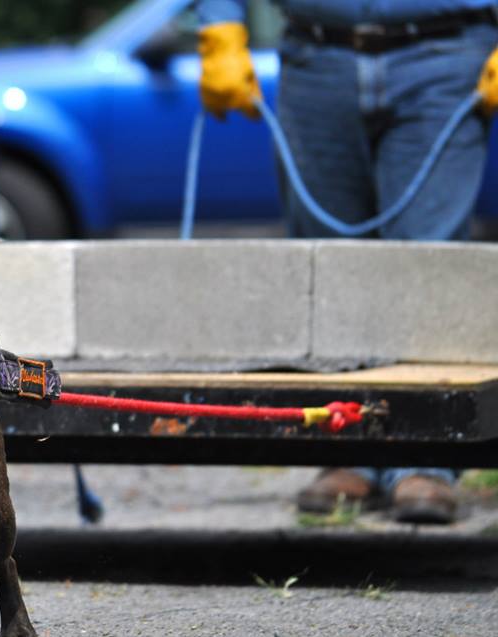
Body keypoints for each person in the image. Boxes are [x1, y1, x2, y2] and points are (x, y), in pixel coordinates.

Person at [195, 0, 498, 523]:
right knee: (329, 269)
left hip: (447, 52)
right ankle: (345, 446)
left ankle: (422, 458)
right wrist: (220, 22)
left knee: (426, 263)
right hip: (316, 55)